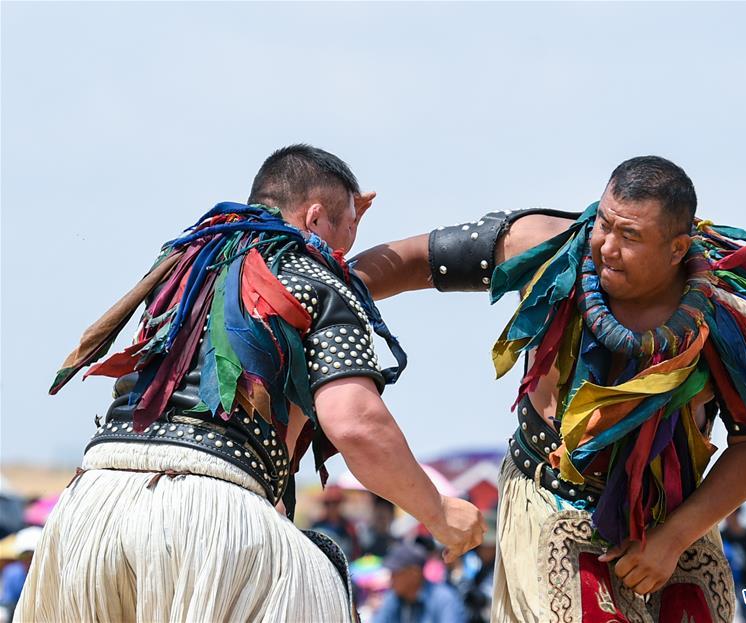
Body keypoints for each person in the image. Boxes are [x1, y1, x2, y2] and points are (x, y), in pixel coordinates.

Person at [351, 155, 746, 622]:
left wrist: (674, 538)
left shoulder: (727, 317)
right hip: (549, 504)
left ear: (678, 248)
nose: (606, 245)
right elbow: (420, 258)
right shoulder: (545, 246)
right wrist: (330, 295)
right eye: (605, 223)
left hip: (672, 527)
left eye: (630, 236)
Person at [15, 144, 484, 622]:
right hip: (208, 519)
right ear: (316, 217)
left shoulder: (184, 266)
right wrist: (437, 511)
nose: (347, 251)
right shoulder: (315, 276)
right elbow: (355, 423)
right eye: (349, 229)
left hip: (88, 512)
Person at [372, 541, 466, 623]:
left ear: (414, 573)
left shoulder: (444, 599)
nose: (391, 578)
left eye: (396, 573)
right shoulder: (392, 599)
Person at [312, 485, 361, 561]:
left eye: (335, 503)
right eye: (328, 503)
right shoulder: (316, 527)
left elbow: (356, 550)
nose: (332, 507)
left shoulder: (349, 527)